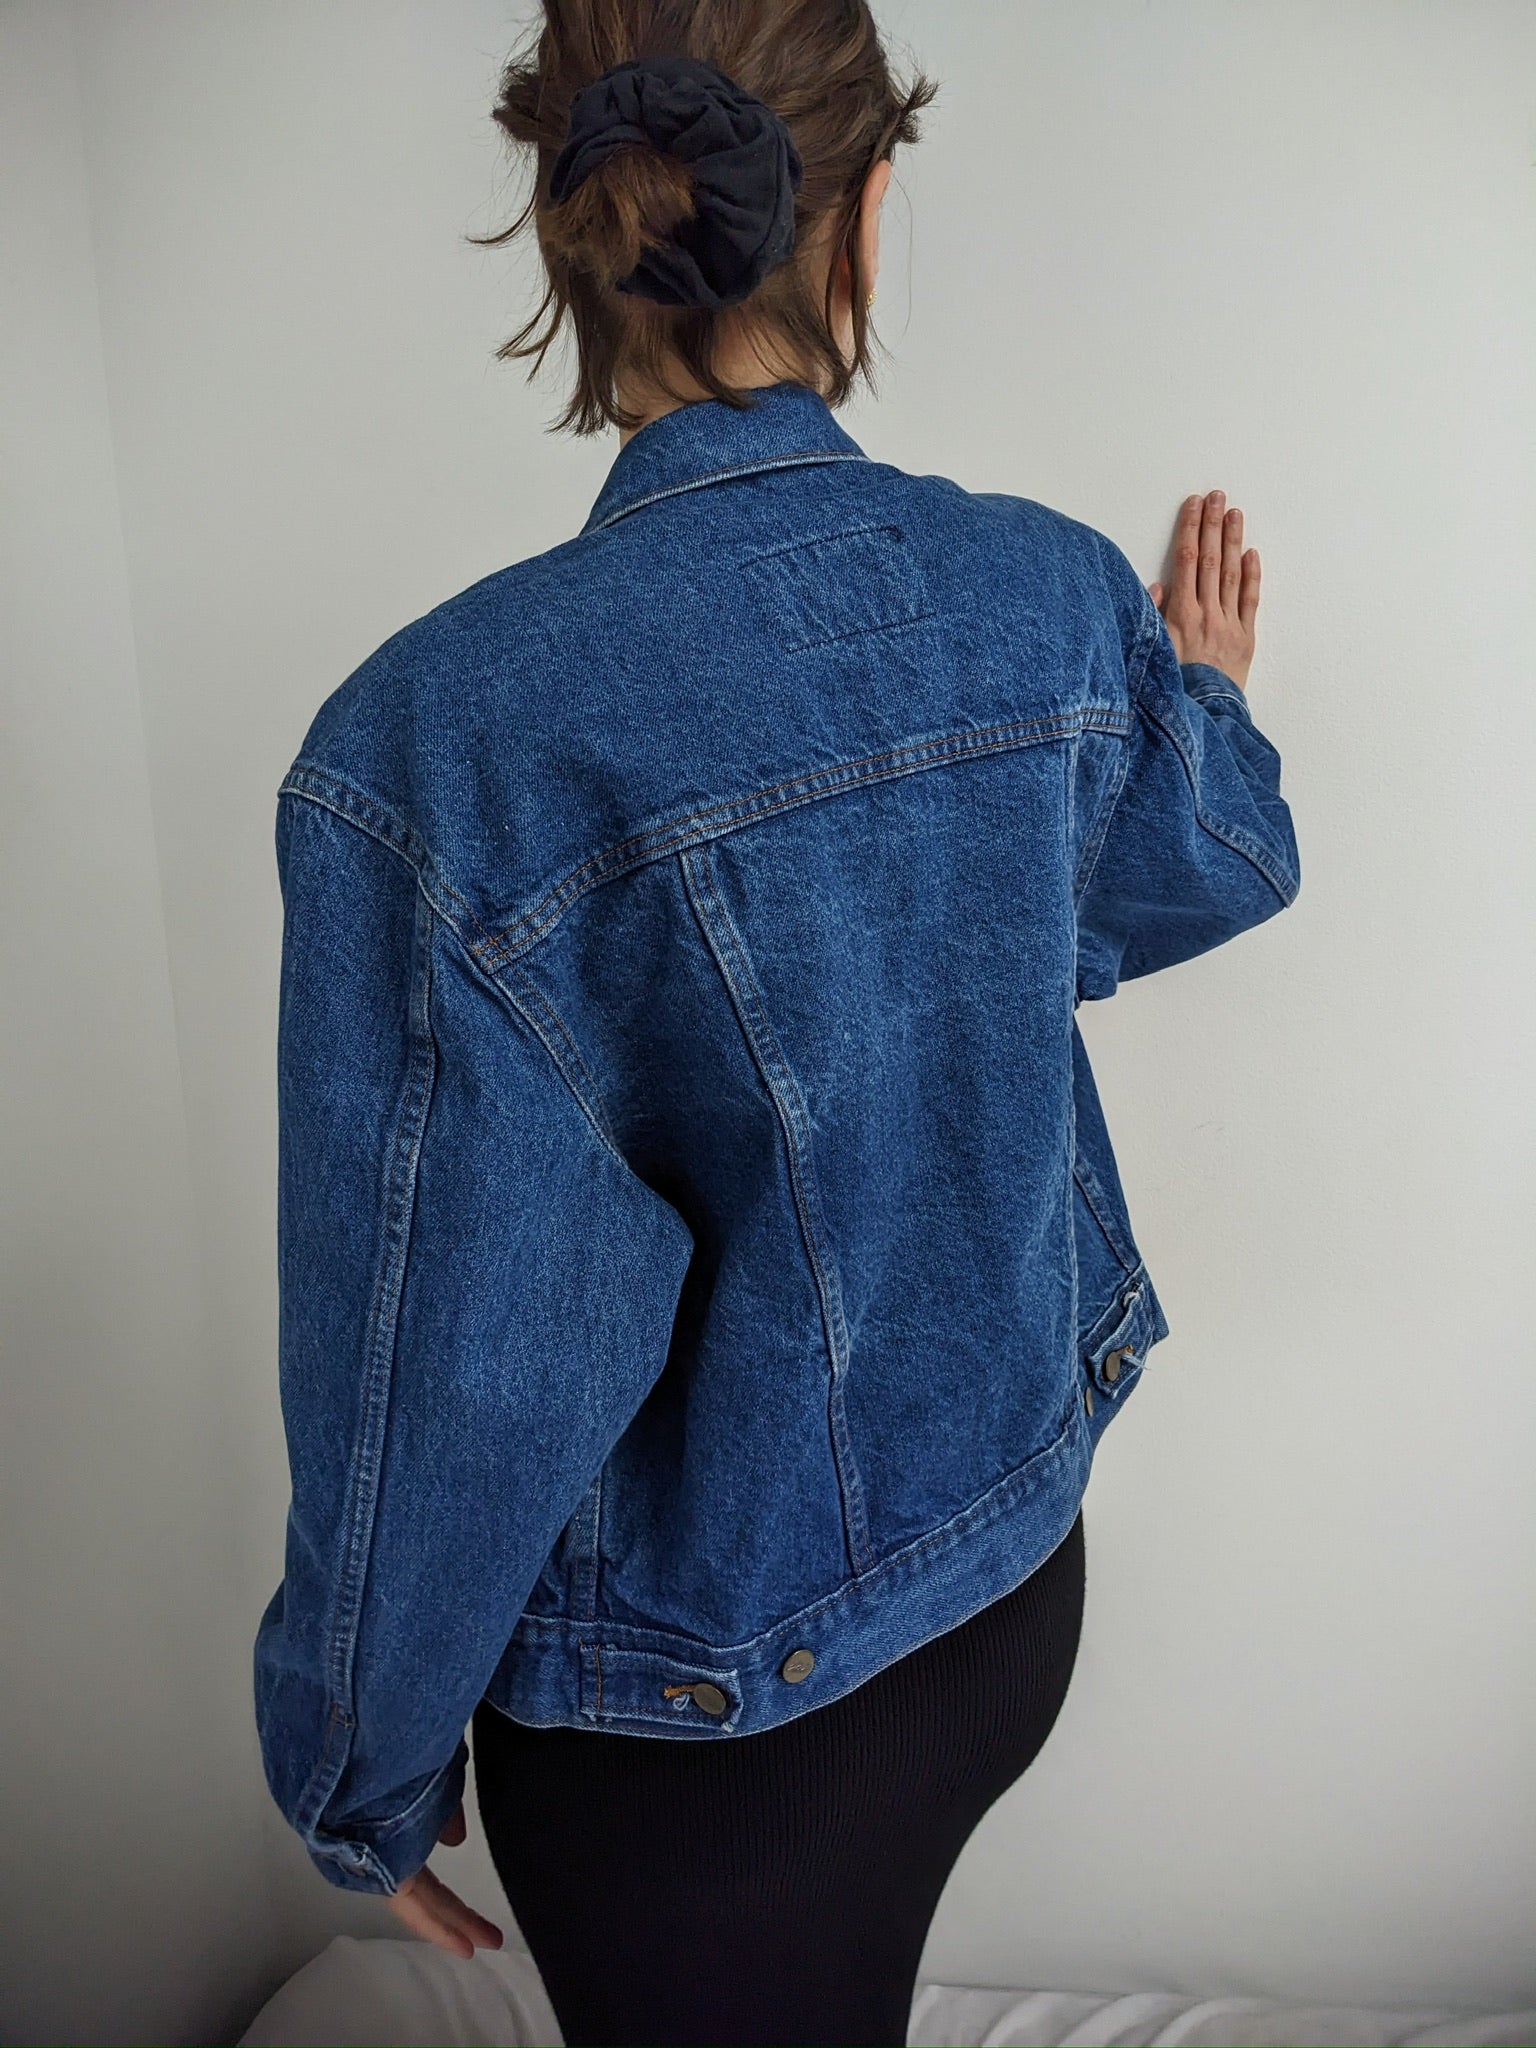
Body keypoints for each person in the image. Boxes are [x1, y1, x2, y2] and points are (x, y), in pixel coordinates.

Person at [251, 5, 1300, 2043]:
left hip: (703, 1724)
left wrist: (357, 1765)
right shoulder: (1047, 593)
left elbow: (434, 1365)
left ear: (573, 232)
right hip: (1008, 1593)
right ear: (868, 220)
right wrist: (1202, 697)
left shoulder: (429, 750)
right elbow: (1191, 869)